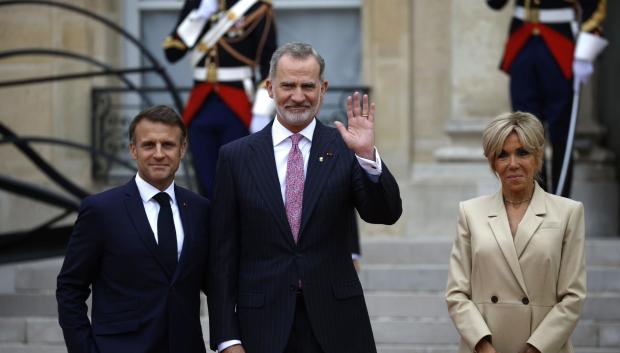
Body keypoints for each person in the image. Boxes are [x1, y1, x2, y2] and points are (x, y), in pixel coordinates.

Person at [207, 42, 402, 353]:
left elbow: (385, 213)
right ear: (270, 88)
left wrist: (366, 155)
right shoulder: (236, 157)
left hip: (337, 324)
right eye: (288, 85)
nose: (298, 96)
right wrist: (226, 338)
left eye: (307, 86)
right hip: (262, 325)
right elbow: (221, 256)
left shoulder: (344, 148)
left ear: (322, 88)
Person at [56, 106, 210, 353]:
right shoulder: (101, 210)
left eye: (168, 145)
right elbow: (70, 288)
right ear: (133, 150)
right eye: (149, 145)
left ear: (182, 149)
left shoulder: (201, 209)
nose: (159, 154)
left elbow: (215, 284)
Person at [445, 111, 586, 353]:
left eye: (522, 152)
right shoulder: (470, 212)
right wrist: (482, 345)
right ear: (492, 163)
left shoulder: (568, 212)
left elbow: (573, 296)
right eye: (502, 155)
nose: (513, 164)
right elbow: (456, 293)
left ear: (538, 157)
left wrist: (536, 348)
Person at [486, 0, 607, 196]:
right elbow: (495, 3)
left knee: (561, 135)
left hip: (560, 43)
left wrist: (587, 45)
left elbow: (593, 6)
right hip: (522, 41)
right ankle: (535, 209)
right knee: (526, 133)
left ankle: (560, 206)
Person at [163, 0, 277, 198]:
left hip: (238, 105)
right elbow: (172, 53)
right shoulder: (197, 4)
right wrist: (198, 18)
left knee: (235, 182)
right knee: (205, 183)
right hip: (201, 104)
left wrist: (261, 110)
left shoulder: (255, 7)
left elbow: (270, 67)